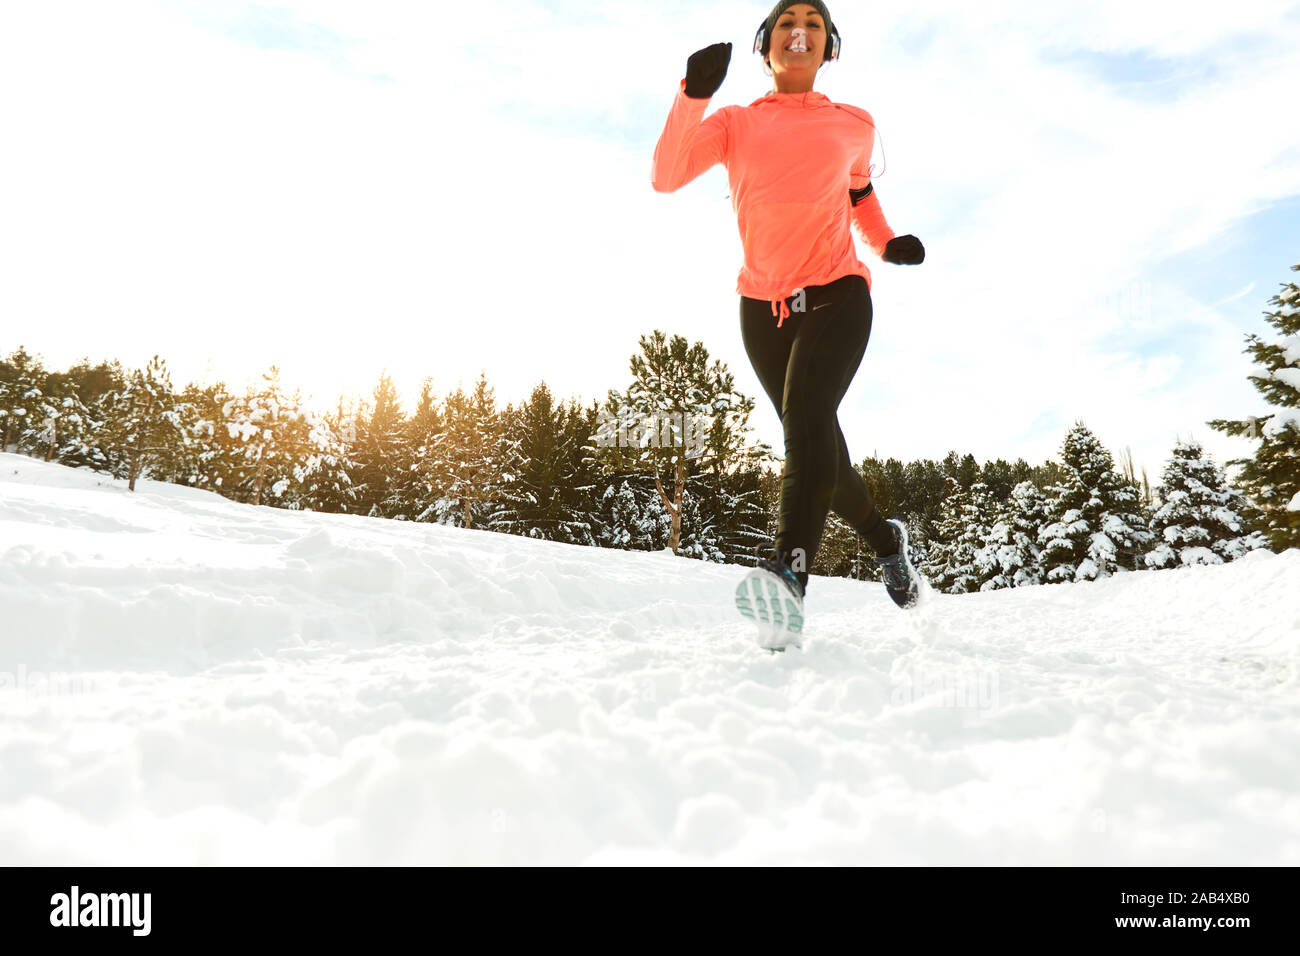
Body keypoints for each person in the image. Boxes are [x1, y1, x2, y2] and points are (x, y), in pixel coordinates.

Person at [650, 1, 925, 648]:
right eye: (785, 21)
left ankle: (788, 579)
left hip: (838, 293)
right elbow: (666, 176)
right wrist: (692, 93)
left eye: (814, 21)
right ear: (765, 45)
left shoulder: (854, 123)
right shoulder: (734, 122)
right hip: (761, 309)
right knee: (822, 457)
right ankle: (887, 541)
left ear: (828, 45)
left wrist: (884, 245)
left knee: (804, 420)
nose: (799, 28)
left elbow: (858, 194)